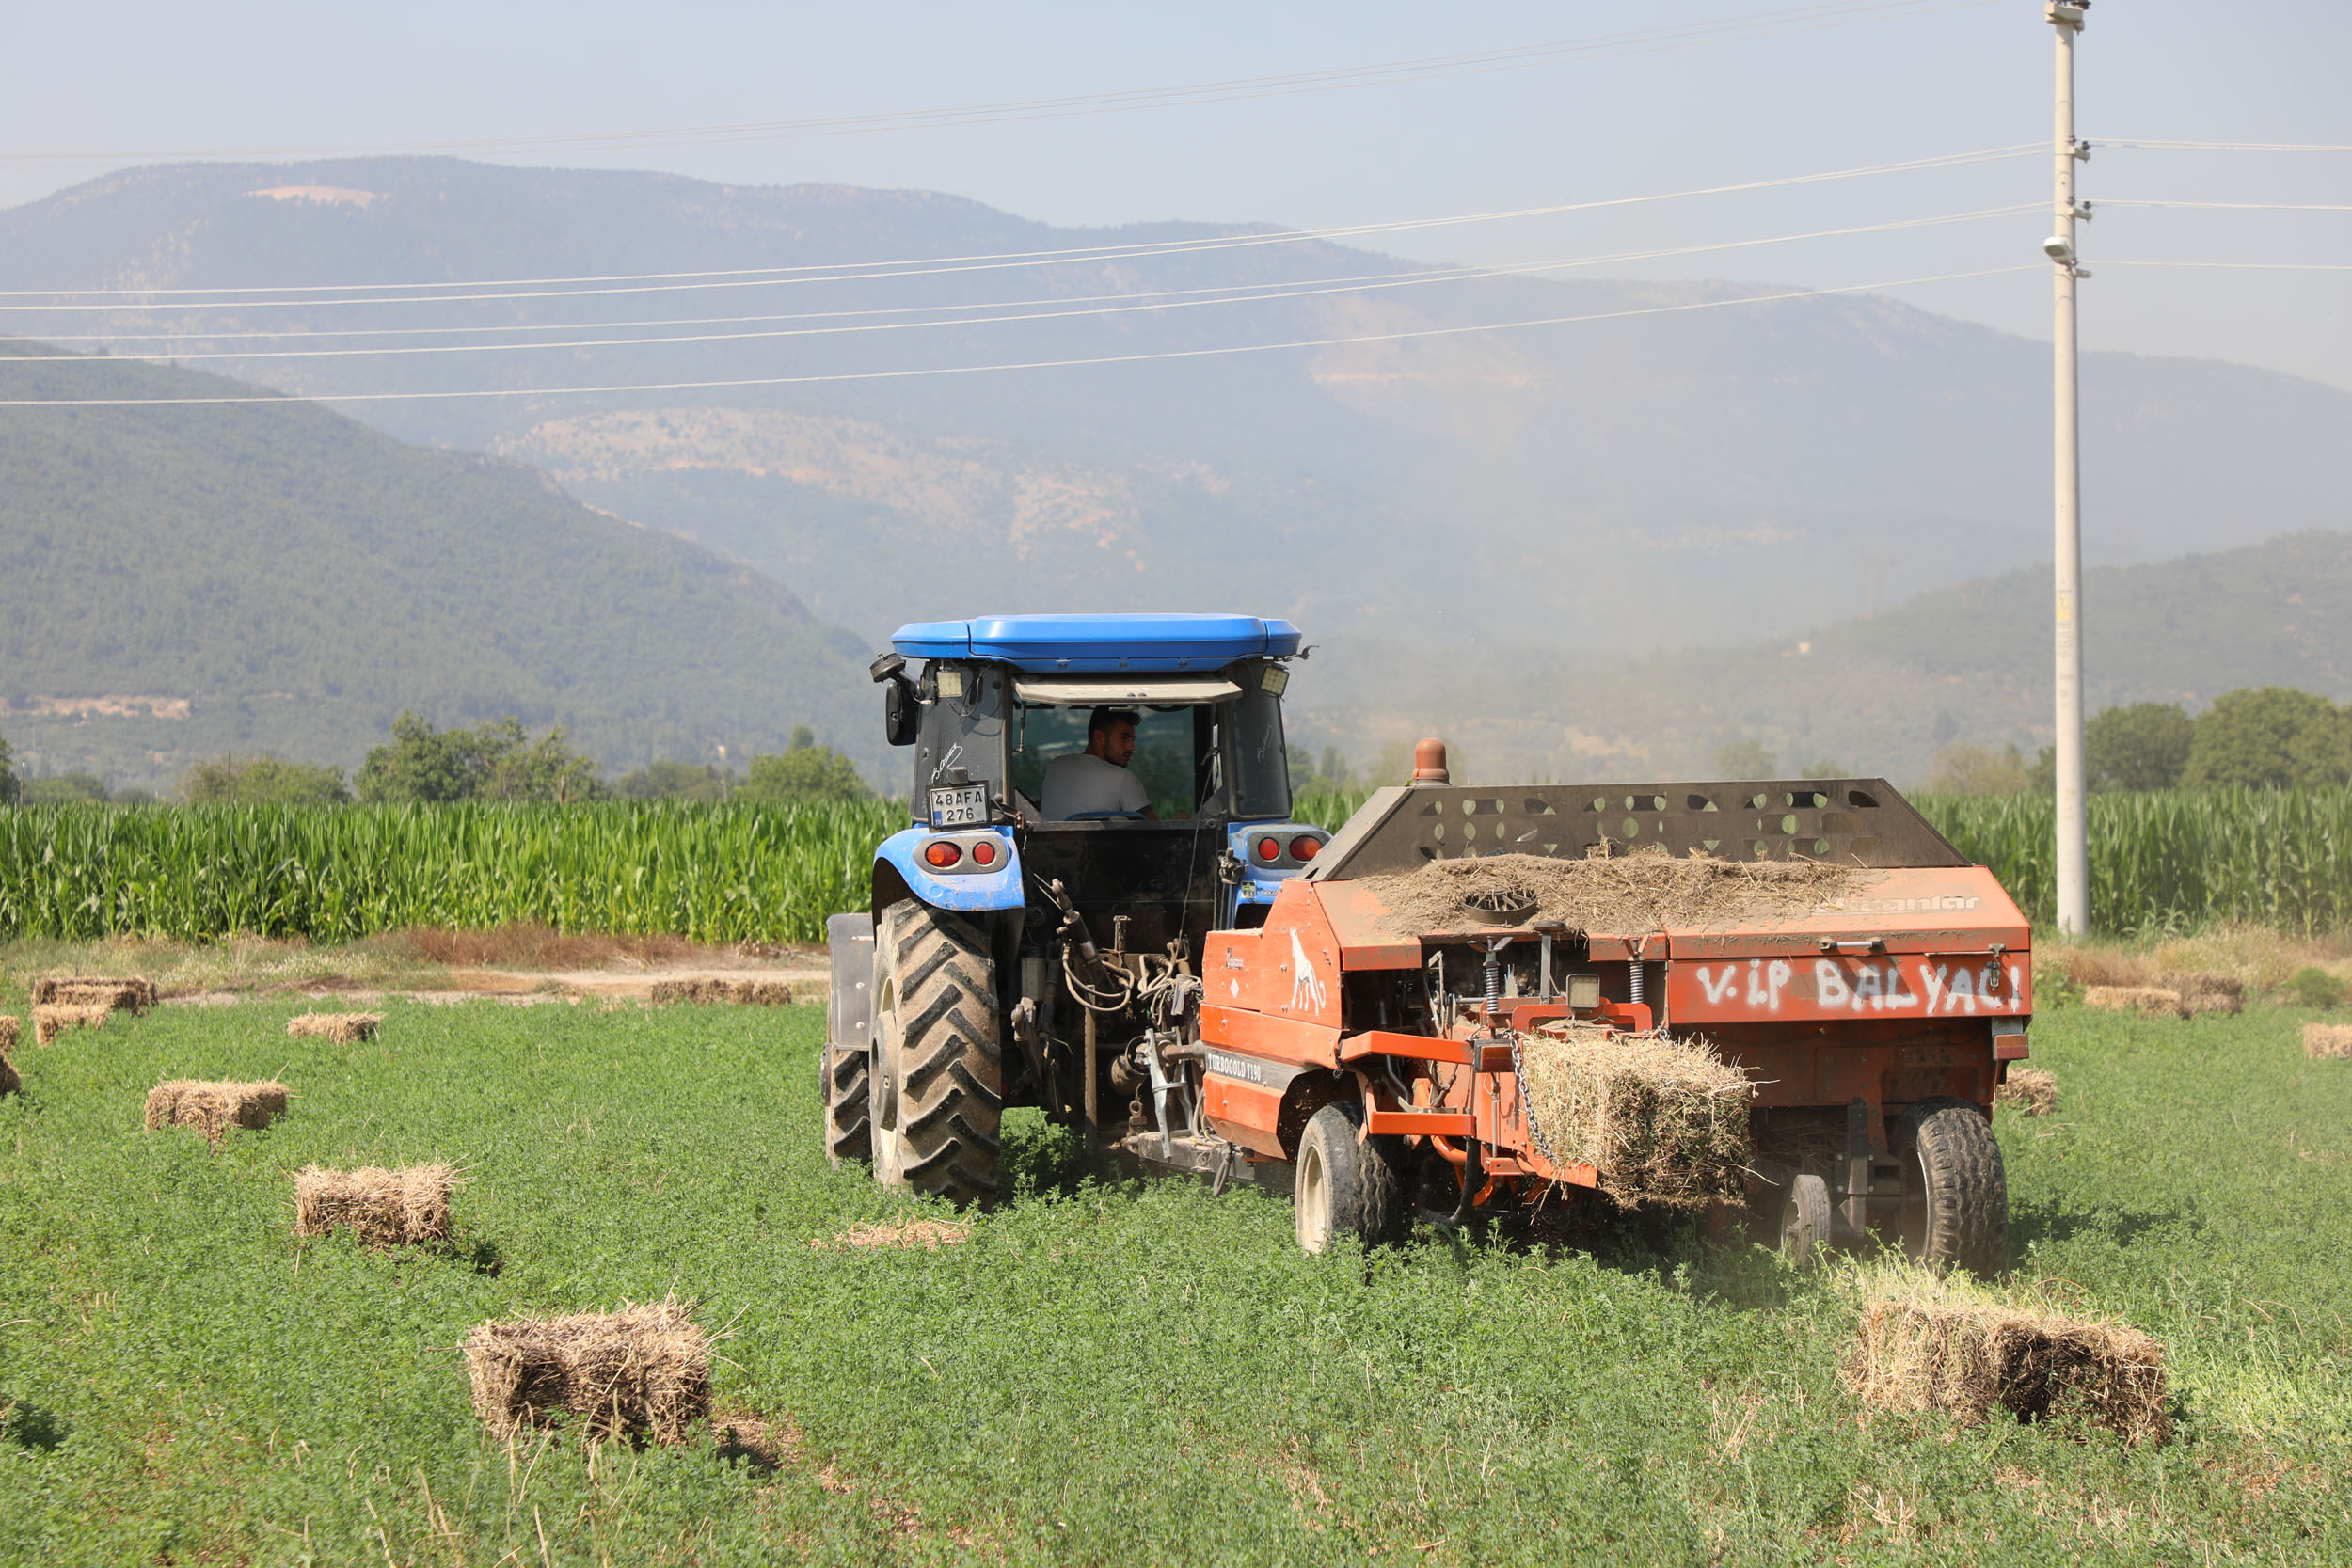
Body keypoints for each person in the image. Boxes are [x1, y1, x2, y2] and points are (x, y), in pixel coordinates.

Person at [1041, 707, 1157, 820]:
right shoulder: (1123, 778)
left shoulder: (1056, 767)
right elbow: (1159, 835)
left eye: (1133, 740)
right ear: (1100, 737)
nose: (1132, 747)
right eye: (1124, 738)